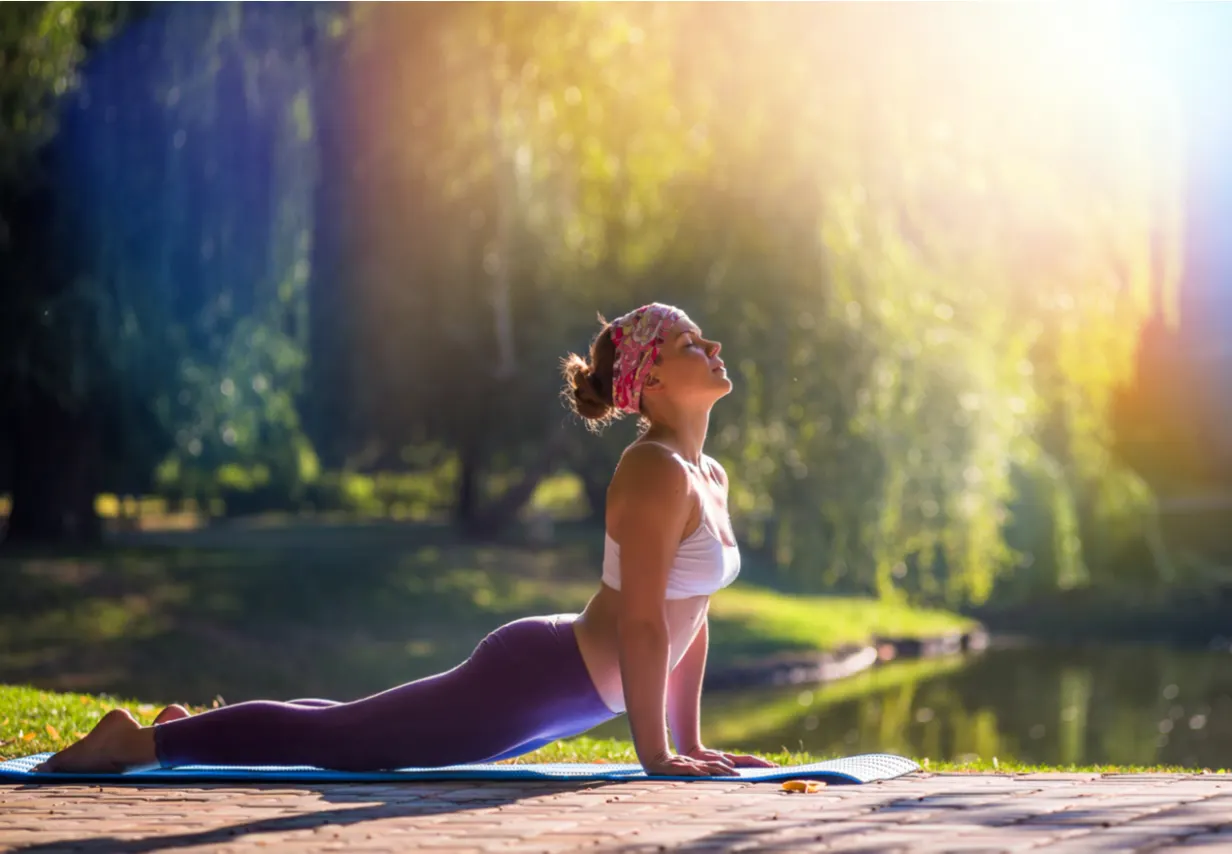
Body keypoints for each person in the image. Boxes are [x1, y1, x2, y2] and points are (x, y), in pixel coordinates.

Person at [35, 303, 777, 778]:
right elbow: (644, 624)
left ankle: (194, 732)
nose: (712, 343)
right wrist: (657, 756)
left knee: (358, 729)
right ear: (651, 383)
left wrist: (691, 741)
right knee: (345, 747)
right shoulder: (653, 470)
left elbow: (691, 618)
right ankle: (134, 744)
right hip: (537, 679)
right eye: (688, 341)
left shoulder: (705, 473)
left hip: (567, 699)